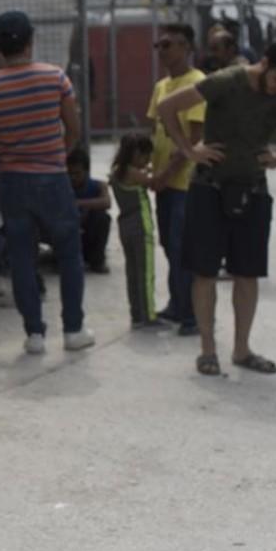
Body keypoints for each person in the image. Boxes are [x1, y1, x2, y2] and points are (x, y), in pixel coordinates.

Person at [157, 39, 276, 376]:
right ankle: (207, 351)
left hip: (253, 190)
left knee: (248, 274)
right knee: (204, 272)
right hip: (208, 188)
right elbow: (168, 107)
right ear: (265, 62)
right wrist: (189, 151)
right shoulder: (226, 81)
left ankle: (242, 350)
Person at [0, 10, 95, 355]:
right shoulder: (56, 78)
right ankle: (73, 330)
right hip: (53, 178)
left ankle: (35, 335)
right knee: (69, 254)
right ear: (31, 41)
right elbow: (74, 129)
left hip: (12, 181)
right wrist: (57, 153)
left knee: (22, 258)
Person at [146, 23, 204, 336]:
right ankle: (177, 304)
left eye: (168, 45)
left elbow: (194, 139)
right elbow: (154, 132)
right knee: (170, 245)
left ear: (186, 47)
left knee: (183, 248)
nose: (162, 51)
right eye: (160, 45)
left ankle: (192, 314)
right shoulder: (161, 87)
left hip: (184, 184)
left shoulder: (197, 84)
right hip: (163, 184)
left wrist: (167, 174)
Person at [109, 135, 164, 329]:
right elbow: (155, 182)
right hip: (142, 227)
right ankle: (149, 315)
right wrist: (173, 162)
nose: (148, 162)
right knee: (146, 273)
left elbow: (142, 173)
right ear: (137, 154)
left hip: (125, 227)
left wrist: (146, 169)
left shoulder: (117, 172)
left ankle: (136, 315)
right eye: (146, 157)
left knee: (132, 272)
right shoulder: (134, 173)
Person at [66, 148, 111, 274]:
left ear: (86, 171)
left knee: (103, 218)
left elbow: (107, 202)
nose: (73, 177)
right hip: (69, 237)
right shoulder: (63, 187)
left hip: (88, 237)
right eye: (70, 173)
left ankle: (97, 261)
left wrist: (79, 203)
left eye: (77, 173)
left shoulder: (98, 186)